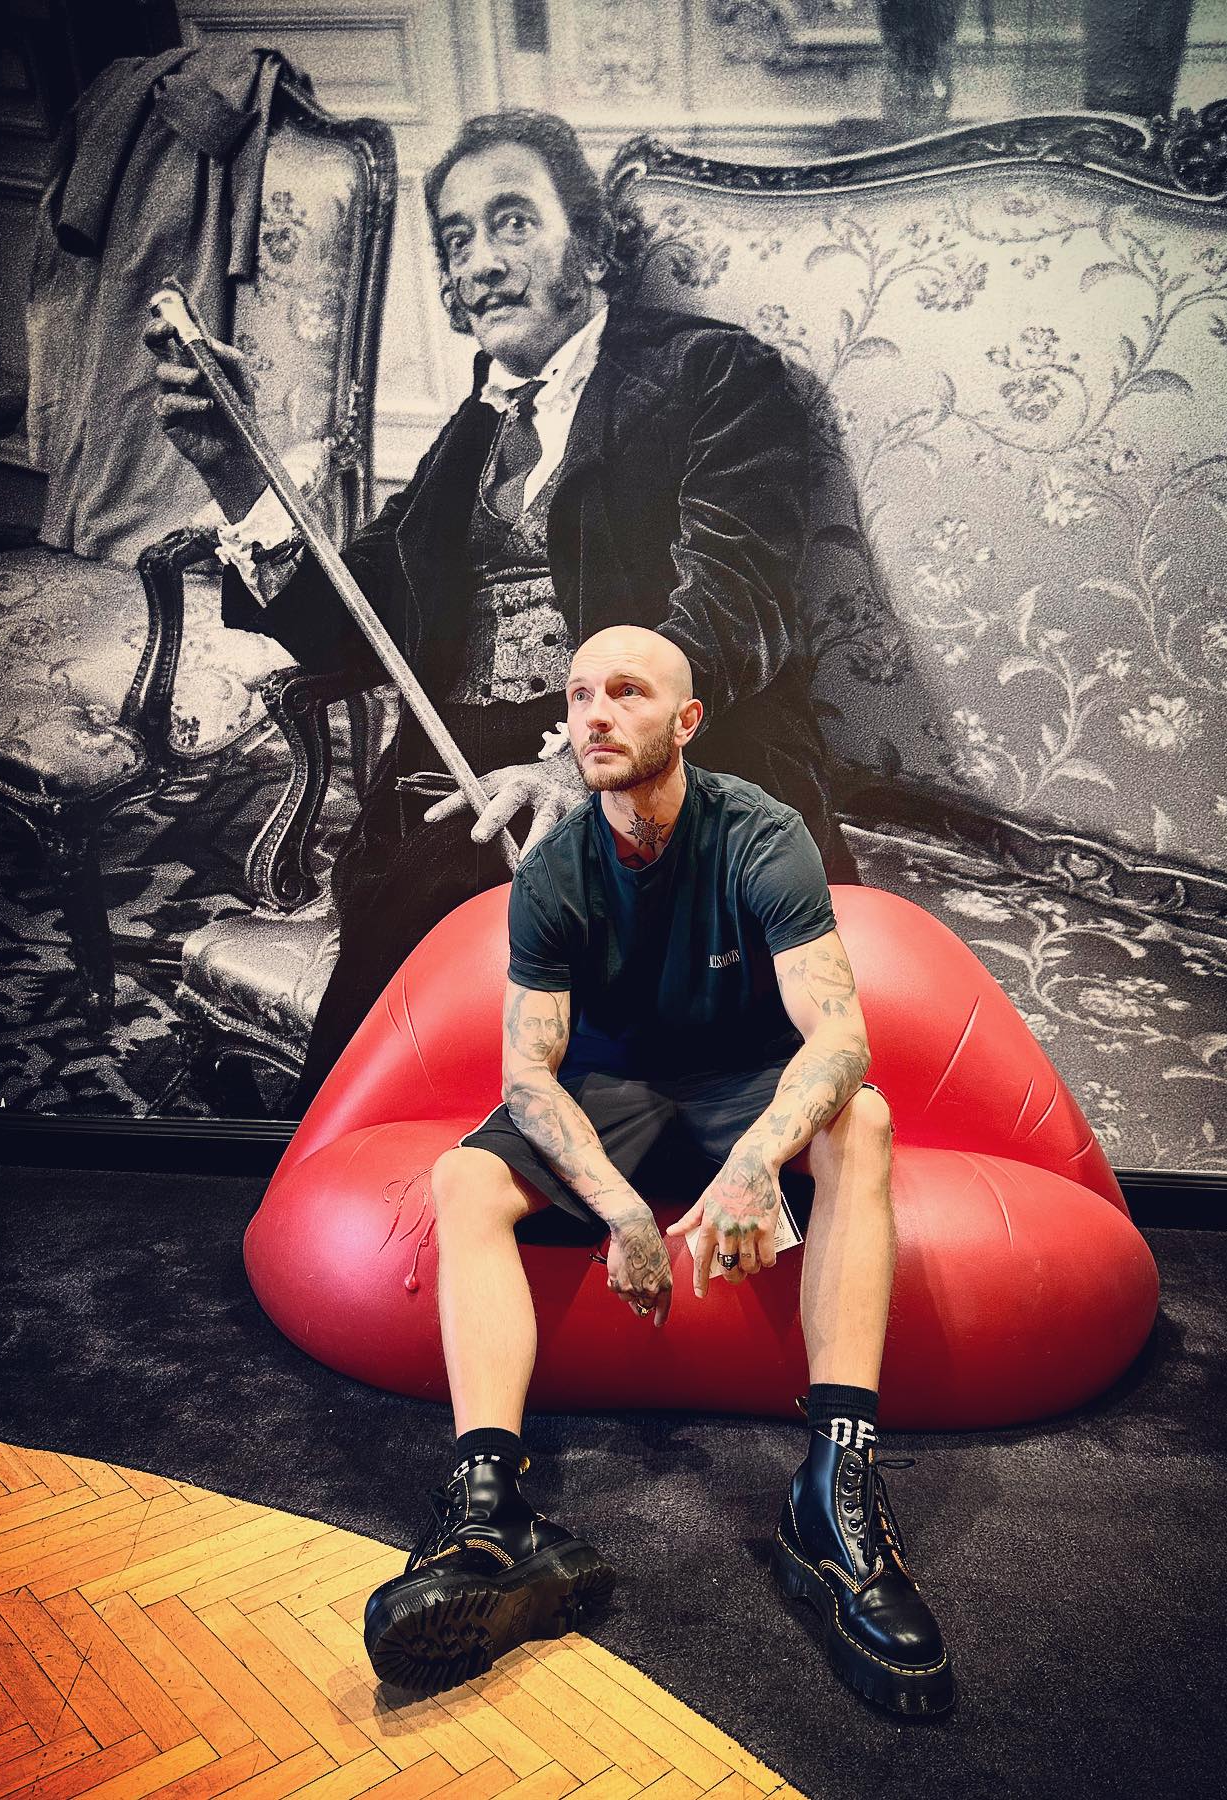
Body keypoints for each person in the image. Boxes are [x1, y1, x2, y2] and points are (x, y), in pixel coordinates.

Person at [147, 107, 858, 1115]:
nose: (480, 261)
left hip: (678, 776)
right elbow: (349, 624)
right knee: (436, 904)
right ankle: (375, 1172)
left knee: (446, 934)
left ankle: (356, 1159)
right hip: (463, 794)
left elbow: (732, 605)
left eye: (513, 221)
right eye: (457, 240)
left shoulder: (713, 375)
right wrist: (233, 467)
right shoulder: (468, 435)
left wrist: (584, 762)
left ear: (593, 248)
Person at [360, 624, 952, 1719]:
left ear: (686, 721)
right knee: (462, 1180)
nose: (595, 713)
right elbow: (528, 1074)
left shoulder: (759, 833)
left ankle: (834, 1495)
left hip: (743, 1081)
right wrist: (624, 1212)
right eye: (579, 693)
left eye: (626, 692)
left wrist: (755, 1160)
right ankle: (491, 1507)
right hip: (610, 1090)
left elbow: (839, 1034)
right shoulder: (557, 868)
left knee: (861, 1120)